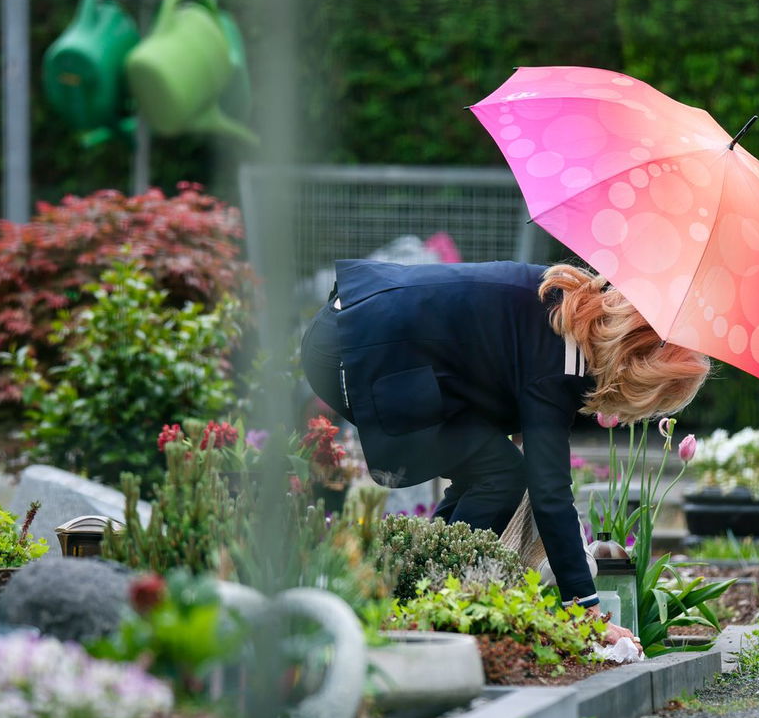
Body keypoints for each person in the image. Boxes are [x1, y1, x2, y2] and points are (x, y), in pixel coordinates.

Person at [299, 259, 709, 648]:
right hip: (353, 347)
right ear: (635, 370)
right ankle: (435, 602)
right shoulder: (560, 364)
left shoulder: (565, 304)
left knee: (492, 473)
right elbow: (551, 493)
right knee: (502, 476)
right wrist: (587, 610)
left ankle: (413, 587)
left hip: (354, 325)